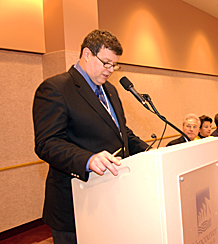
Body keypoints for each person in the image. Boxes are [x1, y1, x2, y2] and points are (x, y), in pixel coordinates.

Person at [32, 30, 149, 244]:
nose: (111, 70)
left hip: (111, 199)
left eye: (115, 65)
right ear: (87, 54)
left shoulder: (110, 90)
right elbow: (47, 143)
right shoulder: (56, 88)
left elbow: (121, 132)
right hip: (75, 204)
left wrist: (150, 152)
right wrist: (88, 159)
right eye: (106, 63)